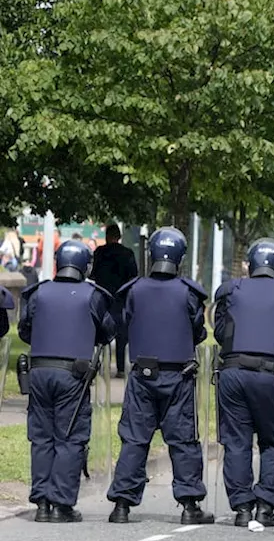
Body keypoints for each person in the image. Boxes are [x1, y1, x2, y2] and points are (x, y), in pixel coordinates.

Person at [107, 227, 215, 525]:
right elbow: (197, 330)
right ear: (180, 257)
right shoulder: (188, 293)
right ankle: (190, 505)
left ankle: (121, 505)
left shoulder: (134, 290)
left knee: (134, 439)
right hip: (177, 376)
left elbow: (126, 323)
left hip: (142, 375)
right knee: (182, 440)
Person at [212, 238, 274, 527]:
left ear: (251, 264)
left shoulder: (231, 290)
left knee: (236, 442)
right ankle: (266, 506)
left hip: (231, 373)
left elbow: (220, 332)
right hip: (269, 376)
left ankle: (242, 508)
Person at [18, 241, 114, 523]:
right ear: (85, 266)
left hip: (39, 372)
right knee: (70, 437)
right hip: (73, 374)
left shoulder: (39, 292)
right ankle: (61, 504)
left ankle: (42, 504)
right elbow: (107, 330)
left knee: (41, 437)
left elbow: (25, 330)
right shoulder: (91, 295)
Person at [90, 224, 139, 379]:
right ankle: (120, 369)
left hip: (102, 298)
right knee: (121, 335)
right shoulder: (127, 254)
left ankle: (100, 366)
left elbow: (93, 274)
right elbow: (134, 276)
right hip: (121, 298)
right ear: (119, 237)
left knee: (100, 333)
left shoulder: (99, 252)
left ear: (107, 236)